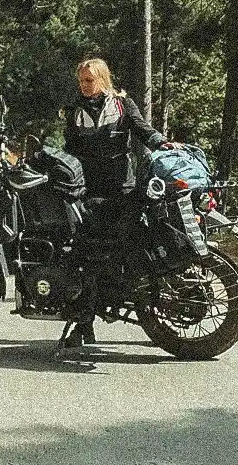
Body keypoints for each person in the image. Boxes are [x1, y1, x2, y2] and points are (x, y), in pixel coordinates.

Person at [60, 57, 174, 346]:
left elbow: (142, 130)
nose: (84, 86)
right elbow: (69, 149)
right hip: (89, 189)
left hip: (122, 187)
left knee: (121, 250)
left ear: (102, 79)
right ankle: (83, 323)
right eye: (81, 81)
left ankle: (140, 305)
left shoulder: (122, 104)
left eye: (89, 80)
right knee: (84, 252)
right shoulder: (74, 110)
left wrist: (162, 143)